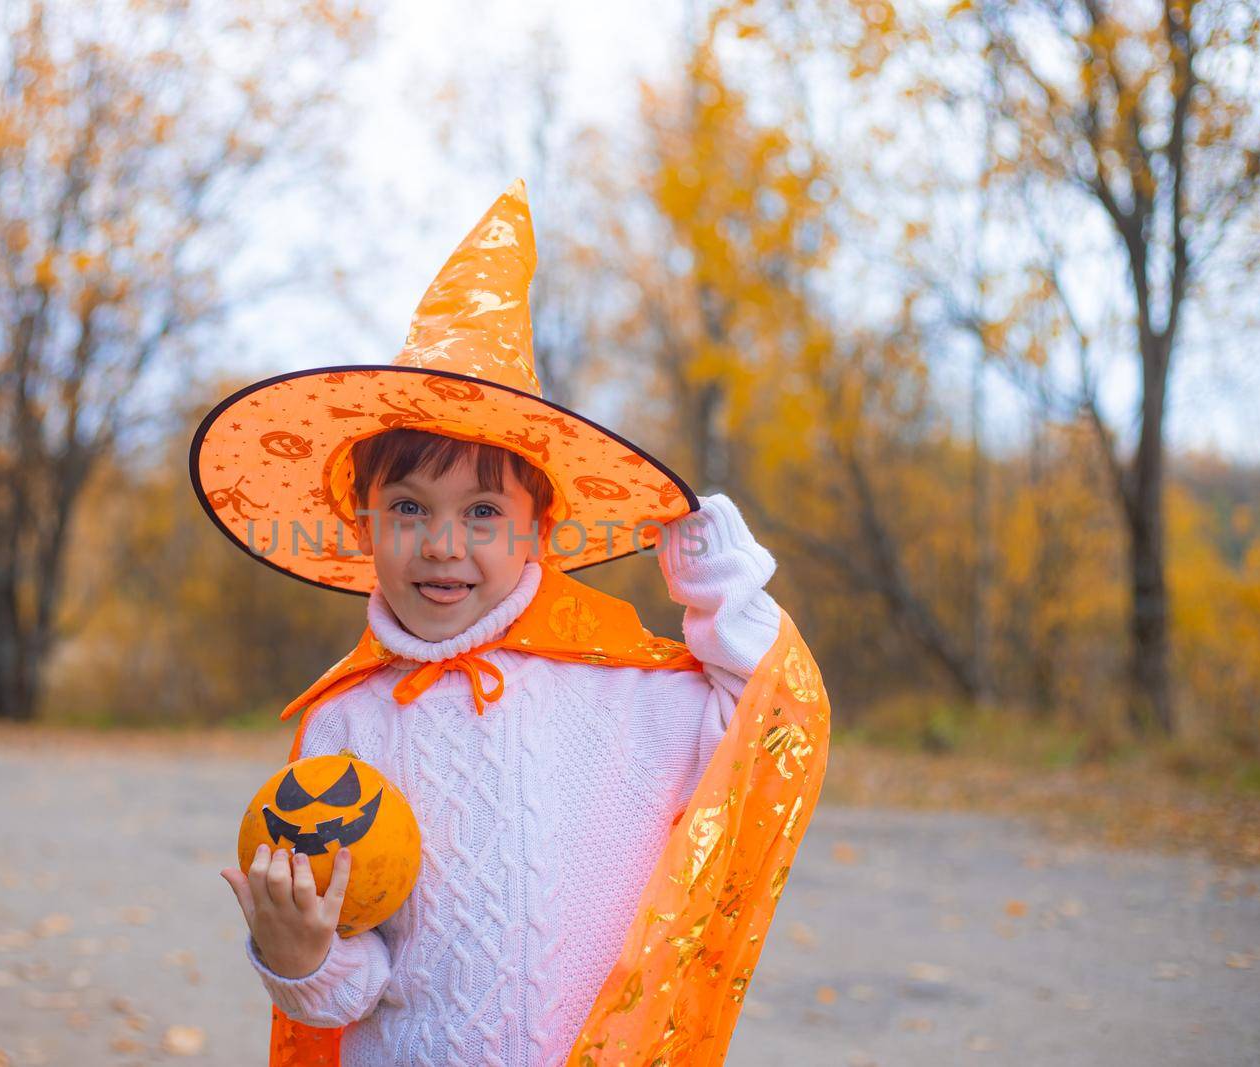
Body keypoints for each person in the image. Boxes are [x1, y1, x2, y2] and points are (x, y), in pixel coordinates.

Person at [191, 179, 830, 1065]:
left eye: (484, 513)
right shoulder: (346, 724)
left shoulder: (623, 696)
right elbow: (359, 980)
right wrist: (298, 957)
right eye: (408, 507)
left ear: (538, 531)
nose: (443, 543)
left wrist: (717, 578)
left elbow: (773, 722)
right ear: (365, 523)